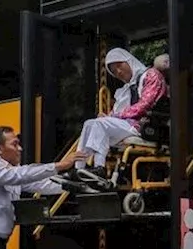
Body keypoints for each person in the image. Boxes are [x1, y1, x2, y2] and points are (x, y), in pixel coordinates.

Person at [69, 48, 169, 184]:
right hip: (128, 124)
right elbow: (118, 112)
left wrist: (115, 116)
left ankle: (99, 168)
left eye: (119, 66)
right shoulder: (126, 88)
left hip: (145, 124)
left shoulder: (151, 75)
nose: (119, 72)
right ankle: (78, 169)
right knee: (90, 123)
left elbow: (145, 105)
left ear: (128, 60)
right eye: (114, 71)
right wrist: (108, 116)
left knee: (99, 124)